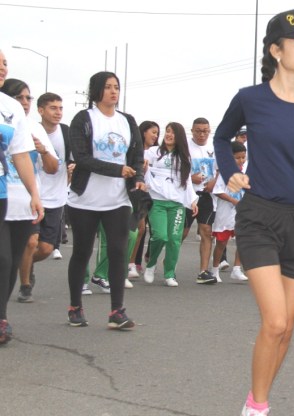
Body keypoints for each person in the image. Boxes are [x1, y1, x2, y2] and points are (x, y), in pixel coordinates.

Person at [212, 9, 294, 416]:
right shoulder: (250, 98)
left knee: (286, 326)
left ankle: (258, 398)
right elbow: (221, 136)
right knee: (274, 321)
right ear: (276, 49)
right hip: (259, 216)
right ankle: (258, 408)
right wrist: (232, 173)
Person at [66, 71, 144, 330]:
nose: (113, 92)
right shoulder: (84, 119)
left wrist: (136, 179)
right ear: (96, 91)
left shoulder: (127, 121)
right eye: (108, 87)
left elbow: (136, 157)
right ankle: (75, 306)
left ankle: (116, 311)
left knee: (118, 252)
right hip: (85, 199)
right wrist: (117, 170)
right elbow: (82, 157)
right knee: (82, 251)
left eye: (117, 87)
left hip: (118, 199)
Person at [0, 80, 57, 306]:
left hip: (19, 200)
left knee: (18, 255)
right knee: (3, 258)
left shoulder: (27, 123)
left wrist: (34, 193)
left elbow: (27, 158)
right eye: (19, 97)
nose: (24, 102)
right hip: (6, 198)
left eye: (27, 98)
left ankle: (4, 312)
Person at [0, 49, 42, 345]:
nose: (3, 67)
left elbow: (20, 154)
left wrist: (34, 194)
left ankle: (1, 318)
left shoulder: (10, 107)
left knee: (8, 260)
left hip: (4, 193)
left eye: (4, 62)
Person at [23, 93, 72, 302]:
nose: (58, 112)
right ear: (41, 110)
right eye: (53, 108)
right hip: (33, 195)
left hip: (57, 197)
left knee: (45, 248)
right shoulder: (29, 130)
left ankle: (25, 263)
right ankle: (25, 285)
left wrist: (74, 167)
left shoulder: (66, 133)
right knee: (31, 241)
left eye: (60, 108)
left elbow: (75, 158)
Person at [143, 122, 198, 287]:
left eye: (172, 132)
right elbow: (141, 161)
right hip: (157, 201)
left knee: (174, 239)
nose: (168, 135)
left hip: (177, 204)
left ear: (179, 136)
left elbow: (187, 181)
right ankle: (151, 264)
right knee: (160, 236)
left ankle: (169, 273)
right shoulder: (154, 152)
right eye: (167, 131)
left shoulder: (184, 157)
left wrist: (193, 201)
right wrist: (142, 164)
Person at [182, 117, 218, 285]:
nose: (202, 134)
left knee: (206, 231)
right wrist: (191, 177)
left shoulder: (214, 147)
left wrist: (213, 181)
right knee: (182, 233)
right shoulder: (185, 147)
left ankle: (203, 271)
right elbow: (177, 170)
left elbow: (220, 168)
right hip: (188, 195)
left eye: (205, 131)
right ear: (192, 131)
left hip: (207, 196)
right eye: (198, 131)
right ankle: (169, 267)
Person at [211, 140, 247, 281]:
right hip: (225, 212)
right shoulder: (225, 172)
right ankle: (214, 270)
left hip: (240, 213)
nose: (241, 160)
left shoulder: (244, 172)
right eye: (237, 157)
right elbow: (218, 191)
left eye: (243, 157)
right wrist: (234, 201)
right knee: (222, 242)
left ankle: (237, 269)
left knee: (243, 240)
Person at [131, 120, 160, 277]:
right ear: (143, 132)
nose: (155, 136)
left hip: (155, 195)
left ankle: (139, 260)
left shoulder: (158, 152)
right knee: (139, 228)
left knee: (153, 230)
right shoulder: (135, 149)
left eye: (157, 133)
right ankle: (131, 263)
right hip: (138, 193)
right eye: (153, 132)